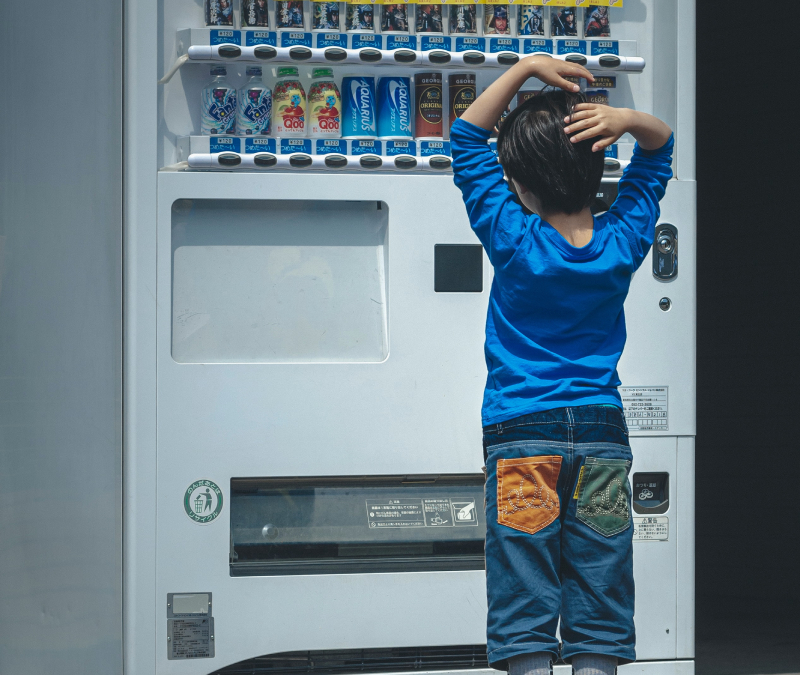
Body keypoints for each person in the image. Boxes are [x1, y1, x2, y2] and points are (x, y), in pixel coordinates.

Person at [450, 56, 673, 675]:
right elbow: (660, 151)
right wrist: (623, 117)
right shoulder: (622, 241)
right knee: (600, 580)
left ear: (520, 183)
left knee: (525, 583)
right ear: (598, 163)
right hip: (602, 436)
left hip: (523, 435)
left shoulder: (514, 239)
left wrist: (523, 69)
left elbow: (466, 139)